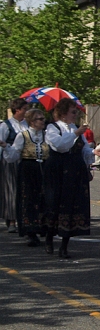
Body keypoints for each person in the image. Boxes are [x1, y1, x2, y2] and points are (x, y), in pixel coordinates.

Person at [43, 99, 94, 259]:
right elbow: (59, 146)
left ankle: (64, 245)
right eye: (73, 112)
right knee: (55, 204)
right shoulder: (53, 128)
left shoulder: (74, 128)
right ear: (63, 113)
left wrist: (93, 153)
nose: (75, 114)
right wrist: (75, 133)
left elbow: (84, 149)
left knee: (72, 206)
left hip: (74, 172)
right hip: (58, 171)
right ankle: (49, 238)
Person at [2, 108, 49, 246]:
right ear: (32, 121)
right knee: (28, 200)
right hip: (28, 170)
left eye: (43, 118)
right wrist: (6, 146)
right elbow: (14, 155)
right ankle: (30, 231)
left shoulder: (47, 135)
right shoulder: (23, 135)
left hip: (44, 170)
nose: (43, 121)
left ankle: (44, 228)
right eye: (40, 119)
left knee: (44, 199)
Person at [0, 98, 29, 232]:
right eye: (24, 109)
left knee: (23, 190)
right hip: (10, 159)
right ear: (17, 110)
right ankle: (11, 221)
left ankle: (23, 219)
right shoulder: (6, 125)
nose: (26, 111)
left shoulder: (26, 124)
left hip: (24, 158)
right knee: (11, 190)